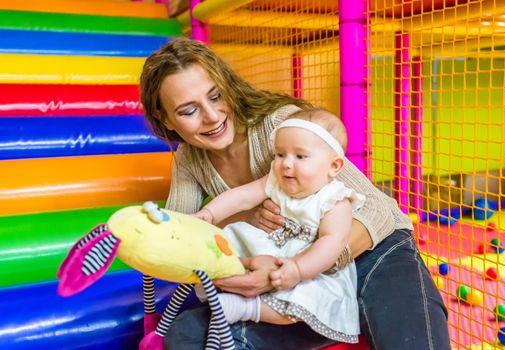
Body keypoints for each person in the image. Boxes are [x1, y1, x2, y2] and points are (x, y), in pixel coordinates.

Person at [140, 37, 451, 350]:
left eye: (215, 96)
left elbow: (377, 210)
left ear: (227, 83)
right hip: (289, 283)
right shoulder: (190, 159)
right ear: (165, 118)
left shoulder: (283, 126)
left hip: (369, 253)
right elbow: (179, 237)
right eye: (189, 110)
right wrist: (244, 219)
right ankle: (329, 321)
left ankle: (354, 311)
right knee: (185, 336)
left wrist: (301, 269)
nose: (212, 116)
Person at [192, 108, 365, 344]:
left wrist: (298, 270)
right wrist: (209, 213)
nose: (286, 164)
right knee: (228, 239)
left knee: (305, 300)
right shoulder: (275, 180)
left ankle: (245, 308)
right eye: (280, 154)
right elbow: (242, 196)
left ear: (333, 166)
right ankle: (213, 278)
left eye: (300, 157)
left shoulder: (335, 201)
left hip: (307, 262)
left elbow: (331, 242)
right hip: (268, 243)